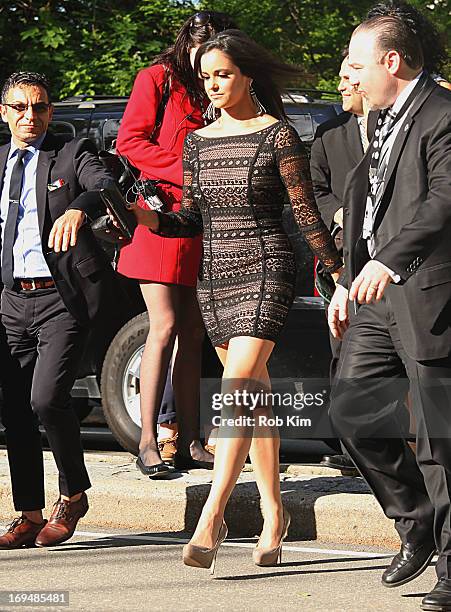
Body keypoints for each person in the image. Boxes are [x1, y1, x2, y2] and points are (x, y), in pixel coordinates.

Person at [131, 29, 342, 572]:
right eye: (205, 76)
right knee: (256, 399)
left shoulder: (278, 136)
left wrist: (337, 269)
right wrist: (154, 220)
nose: (213, 84)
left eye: (222, 73)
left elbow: (304, 214)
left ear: (247, 74)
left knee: (235, 391)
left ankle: (213, 515)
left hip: (267, 269)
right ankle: (275, 513)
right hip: (215, 279)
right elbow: (193, 218)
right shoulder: (198, 142)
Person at [327, 3, 451, 610]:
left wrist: (387, 261)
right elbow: (371, 209)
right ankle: (417, 518)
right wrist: (349, 279)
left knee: (438, 437)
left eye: (358, 62)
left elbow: (443, 202)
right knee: (353, 411)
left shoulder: (443, 116)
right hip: (373, 296)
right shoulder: (379, 121)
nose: (350, 74)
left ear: (392, 61)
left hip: (428, 293)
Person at [0, 71, 119, 549]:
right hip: (9, 300)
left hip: (60, 297)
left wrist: (78, 209)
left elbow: (105, 181)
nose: (32, 116)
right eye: (21, 107)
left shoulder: (72, 152)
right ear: (4, 112)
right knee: (13, 409)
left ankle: (73, 493)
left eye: (41, 107)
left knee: (46, 399)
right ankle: (27, 512)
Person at [116, 10, 237, 477]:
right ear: (187, 44)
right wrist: (188, 171)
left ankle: (188, 439)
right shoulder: (156, 78)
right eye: (200, 56)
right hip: (159, 216)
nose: (206, 69)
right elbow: (130, 141)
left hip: (201, 221)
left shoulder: (217, 87)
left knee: (194, 331)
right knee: (162, 326)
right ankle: (148, 440)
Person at [310, 53, 375, 476]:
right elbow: (312, 190)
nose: (340, 85)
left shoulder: (401, 130)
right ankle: (356, 448)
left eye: (347, 76)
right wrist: (340, 213)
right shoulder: (329, 134)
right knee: (345, 350)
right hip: (343, 262)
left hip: (397, 261)